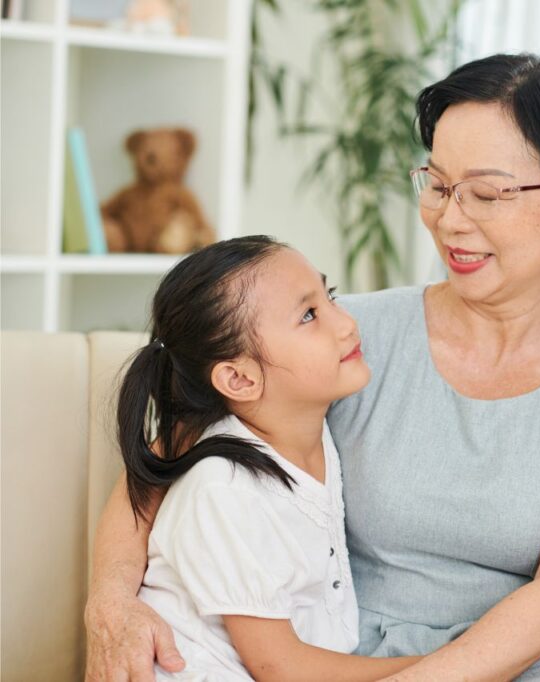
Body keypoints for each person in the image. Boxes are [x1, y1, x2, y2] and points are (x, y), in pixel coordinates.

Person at [84, 54, 540, 681]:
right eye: (439, 185)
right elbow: (159, 464)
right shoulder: (340, 341)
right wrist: (112, 600)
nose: (449, 219)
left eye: (487, 193)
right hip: (347, 651)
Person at [112, 235, 421, 680]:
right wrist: (445, 669)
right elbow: (281, 667)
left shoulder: (306, 429)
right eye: (309, 315)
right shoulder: (224, 491)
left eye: (329, 296)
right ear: (239, 379)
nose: (347, 324)